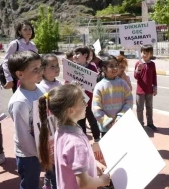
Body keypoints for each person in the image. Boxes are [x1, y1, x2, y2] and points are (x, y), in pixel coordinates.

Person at [38, 84, 110, 189]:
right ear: (70, 110)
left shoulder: (60, 131)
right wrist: (102, 181)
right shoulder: (76, 143)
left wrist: (93, 163)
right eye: (82, 101)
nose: (86, 104)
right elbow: (84, 184)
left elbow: (71, 161)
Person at [7, 51, 46, 189]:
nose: (41, 71)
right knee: (30, 185)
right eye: (35, 69)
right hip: (28, 155)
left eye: (41, 67)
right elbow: (23, 136)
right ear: (20, 74)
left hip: (43, 148)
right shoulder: (20, 102)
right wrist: (40, 155)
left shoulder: (40, 90)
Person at [92, 55, 133, 136]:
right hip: (106, 128)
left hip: (121, 125)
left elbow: (129, 101)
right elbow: (96, 108)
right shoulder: (99, 86)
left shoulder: (123, 83)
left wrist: (120, 117)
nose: (115, 68)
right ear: (103, 69)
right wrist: (108, 122)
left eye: (116, 65)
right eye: (111, 66)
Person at [37, 54, 62, 189]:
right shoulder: (40, 89)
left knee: (57, 164)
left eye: (57, 65)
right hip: (48, 134)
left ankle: (47, 182)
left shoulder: (60, 84)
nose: (56, 68)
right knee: (52, 167)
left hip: (59, 130)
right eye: (52, 66)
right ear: (42, 69)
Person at [73, 46, 101, 142]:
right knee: (80, 123)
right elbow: (67, 82)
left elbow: (95, 82)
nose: (75, 56)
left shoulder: (92, 67)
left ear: (85, 55)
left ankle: (97, 139)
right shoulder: (72, 67)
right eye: (74, 54)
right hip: (78, 101)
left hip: (89, 101)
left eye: (77, 54)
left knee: (92, 121)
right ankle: (84, 141)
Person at [1, 21, 37, 93]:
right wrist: (9, 79)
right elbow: (6, 62)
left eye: (30, 29)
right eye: (25, 29)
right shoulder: (15, 44)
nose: (28, 31)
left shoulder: (32, 45)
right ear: (20, 32)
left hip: (30, 77)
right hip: (18, 78)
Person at [134, 45, 158, 131]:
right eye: (143, 53)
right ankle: (140, 124)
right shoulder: (138, 64)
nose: (144, 55)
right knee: (140, 109)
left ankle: (150, 123)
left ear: (150, 54)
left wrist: (155, 87)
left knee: (149, 107)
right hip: (140, 91)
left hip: (149, 90)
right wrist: (138, 69)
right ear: (141, 53)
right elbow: (136, 77)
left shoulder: (152, 64)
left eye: (147, 53)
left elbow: (154, 77)